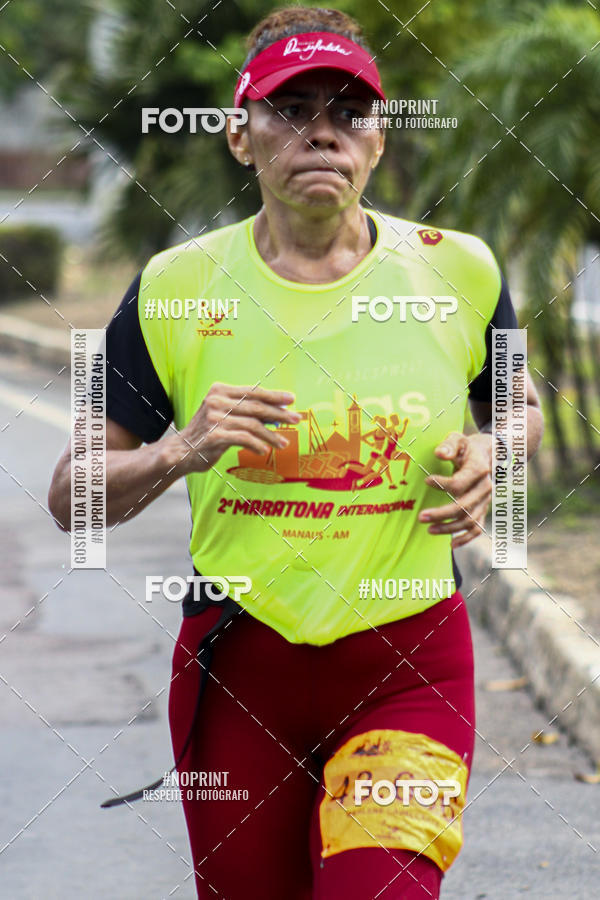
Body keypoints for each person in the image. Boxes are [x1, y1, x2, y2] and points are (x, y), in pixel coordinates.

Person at [48, 6, 544, 898]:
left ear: (380, 141)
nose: (323, 130)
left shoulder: (459, 270)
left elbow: (521, 406)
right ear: (240, 136)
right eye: (291, 108)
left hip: (409, 663)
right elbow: (71, 494)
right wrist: (181, 451)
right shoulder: (174, 286)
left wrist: (497, 453)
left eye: (349, 111)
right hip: (240, 672)